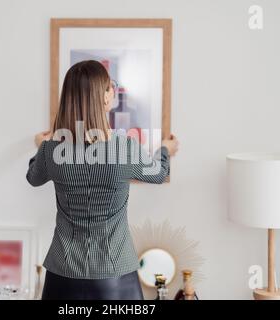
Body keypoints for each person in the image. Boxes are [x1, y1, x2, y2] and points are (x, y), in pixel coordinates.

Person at [27, 60, 179, 300]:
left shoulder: (51, 150)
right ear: (105, 98)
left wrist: (40, 147)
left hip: (63, 273)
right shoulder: (126, 148)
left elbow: (33, 178)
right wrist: (164, 150)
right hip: (116, 274)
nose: (113, 90)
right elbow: (159, 174)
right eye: (111, 86)